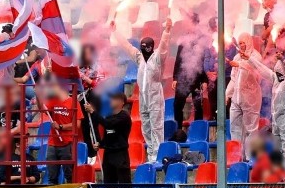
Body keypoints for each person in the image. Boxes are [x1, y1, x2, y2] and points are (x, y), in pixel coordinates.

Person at [113, 18, 172, 163]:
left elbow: (164, 47)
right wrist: (115, 31)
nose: (142, 48)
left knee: (156, 126)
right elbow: (127, 46)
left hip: (155, 95)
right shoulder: (139, 58)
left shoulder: (158, 58)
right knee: (146, 126)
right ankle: (151, 154)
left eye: (145, 46)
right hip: (143, 97)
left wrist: (167, 31)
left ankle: (157, 155)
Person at [90, 92, 142, 188]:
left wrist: (93, 112)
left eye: (114, 98)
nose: (111, 100)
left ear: (121, 102)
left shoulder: (124, 117)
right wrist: (99, 144)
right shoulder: (109, 117)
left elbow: (108, 124)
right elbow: (107, 137)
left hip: (121, 156)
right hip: (109, 157)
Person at [249, 49, 285, 168]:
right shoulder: (277, 80)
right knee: (277, 150)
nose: (276, 73)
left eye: (279, 70)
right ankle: (281, 177)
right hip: (277, 120)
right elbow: (263, 70)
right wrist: (250, 59)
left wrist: (284, 61)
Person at [226, 32, 263, 160]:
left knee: (251, 129)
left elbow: (257, 74)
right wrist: (227, 94)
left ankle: (251, 158)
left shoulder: (256, 56)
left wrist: (241, 64)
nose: (241, 45)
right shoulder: (236, 57)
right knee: (234, 127)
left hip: (251, 98)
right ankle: (237, 156)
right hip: (237, 98)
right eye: (240, 43)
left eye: (243, 42)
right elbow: (233, 78)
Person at [172, 15, 209, 137]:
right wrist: (175, 78)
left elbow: (204, 61)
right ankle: (178, 130)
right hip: (183, 77)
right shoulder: (183, 39)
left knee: (198, 105)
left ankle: (198, 132)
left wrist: (204, 80)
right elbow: (178, 59)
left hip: (197, 77)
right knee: (177, 104)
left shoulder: (202, 40)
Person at [42, 80, 83, 184]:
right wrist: (38, 96)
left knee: (69, 175)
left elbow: (77, 125)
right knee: (52, 177)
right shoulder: (53, 101)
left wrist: (60, 127)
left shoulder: (74, 102)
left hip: (67, 142)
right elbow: (42, 109)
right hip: (52, 143)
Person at [78, 43, 103, 160]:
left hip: (95, 96)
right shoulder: (78, 67)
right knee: (84, 126)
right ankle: (90, 154)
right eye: (85, 53)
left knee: (93, 123)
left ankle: (97, 150)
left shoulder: (98, 66)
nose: (88, 55)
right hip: (81, 97)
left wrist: (85, 78)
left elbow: (99, 84)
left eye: (90, 53)